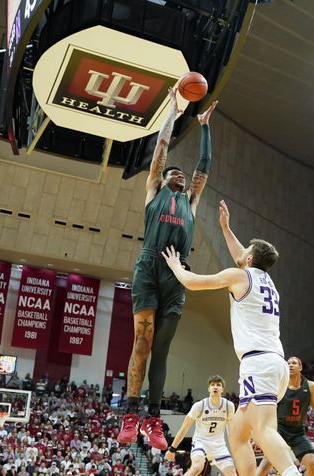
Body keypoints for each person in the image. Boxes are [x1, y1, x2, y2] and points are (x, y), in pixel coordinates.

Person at [161, 200, 314, 476]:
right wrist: (225, 228)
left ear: (248, 259)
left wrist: (176, 267)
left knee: (262, 430)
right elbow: (243, 257)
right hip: (272, 362)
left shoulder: (239, 275)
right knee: (237, 434)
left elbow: (193, 283)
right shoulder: (266, 282)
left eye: (243, 251)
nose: (239, 253)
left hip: (258, 364)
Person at [117, 88, 219, 451]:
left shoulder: (190, 200)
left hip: (178, 272)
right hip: (149, 264)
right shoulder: (155, 188)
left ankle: (154, 419)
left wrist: (204, 127)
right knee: (141, 340)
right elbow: (160, 151)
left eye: (181, 173)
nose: (178, 175)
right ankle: (130, 413)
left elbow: (203, 169)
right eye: (173, 172)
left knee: (162, 350)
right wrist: (173, 113)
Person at [163, 375, 241, 476]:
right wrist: (172, 449)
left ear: (223, 389)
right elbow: (184, 428)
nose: (215, 387)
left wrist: (237, 450)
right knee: (197, 467)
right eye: (212, 384)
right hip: (201, 442)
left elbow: (231, 430)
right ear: (209, 388)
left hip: (219, 446)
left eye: (218, 384)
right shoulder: (199, 405)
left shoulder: (229, 406)